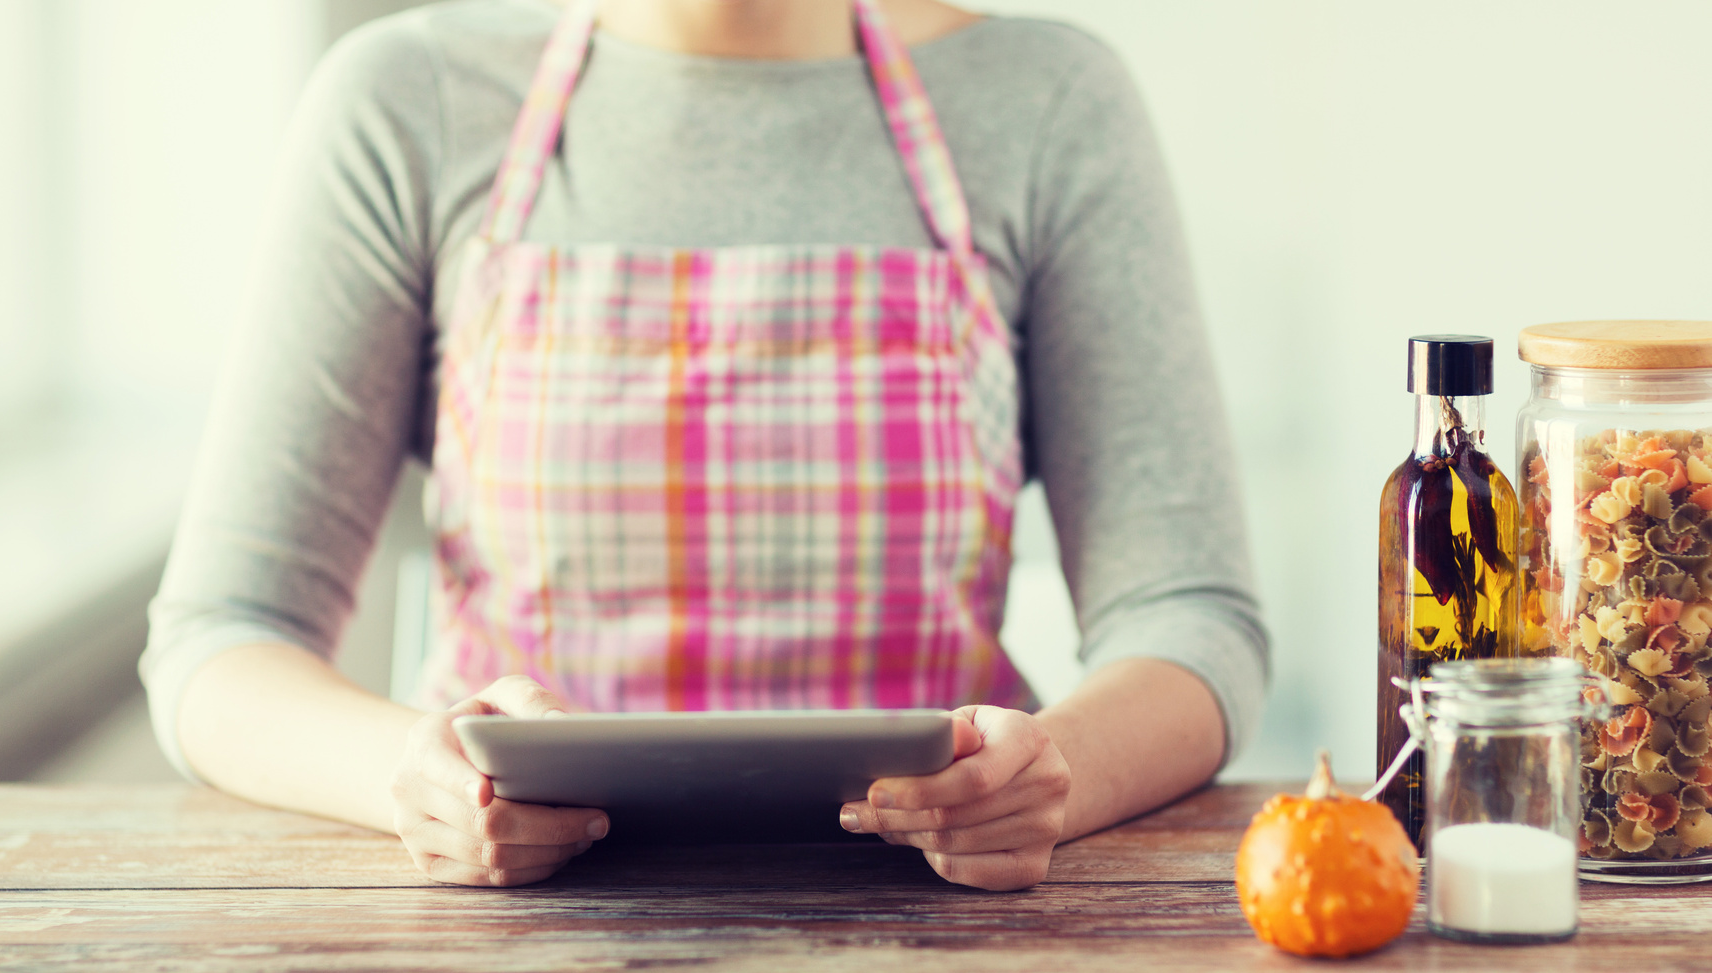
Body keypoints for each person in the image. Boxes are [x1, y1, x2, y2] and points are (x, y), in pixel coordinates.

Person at [143, 0, 1267, 892]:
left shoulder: (1045, 102)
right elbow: (226, 634)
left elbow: (1188, 613)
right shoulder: (406, 102)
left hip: (937, 921)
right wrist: (412, 775)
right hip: (513, 949)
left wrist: (1051, 777)